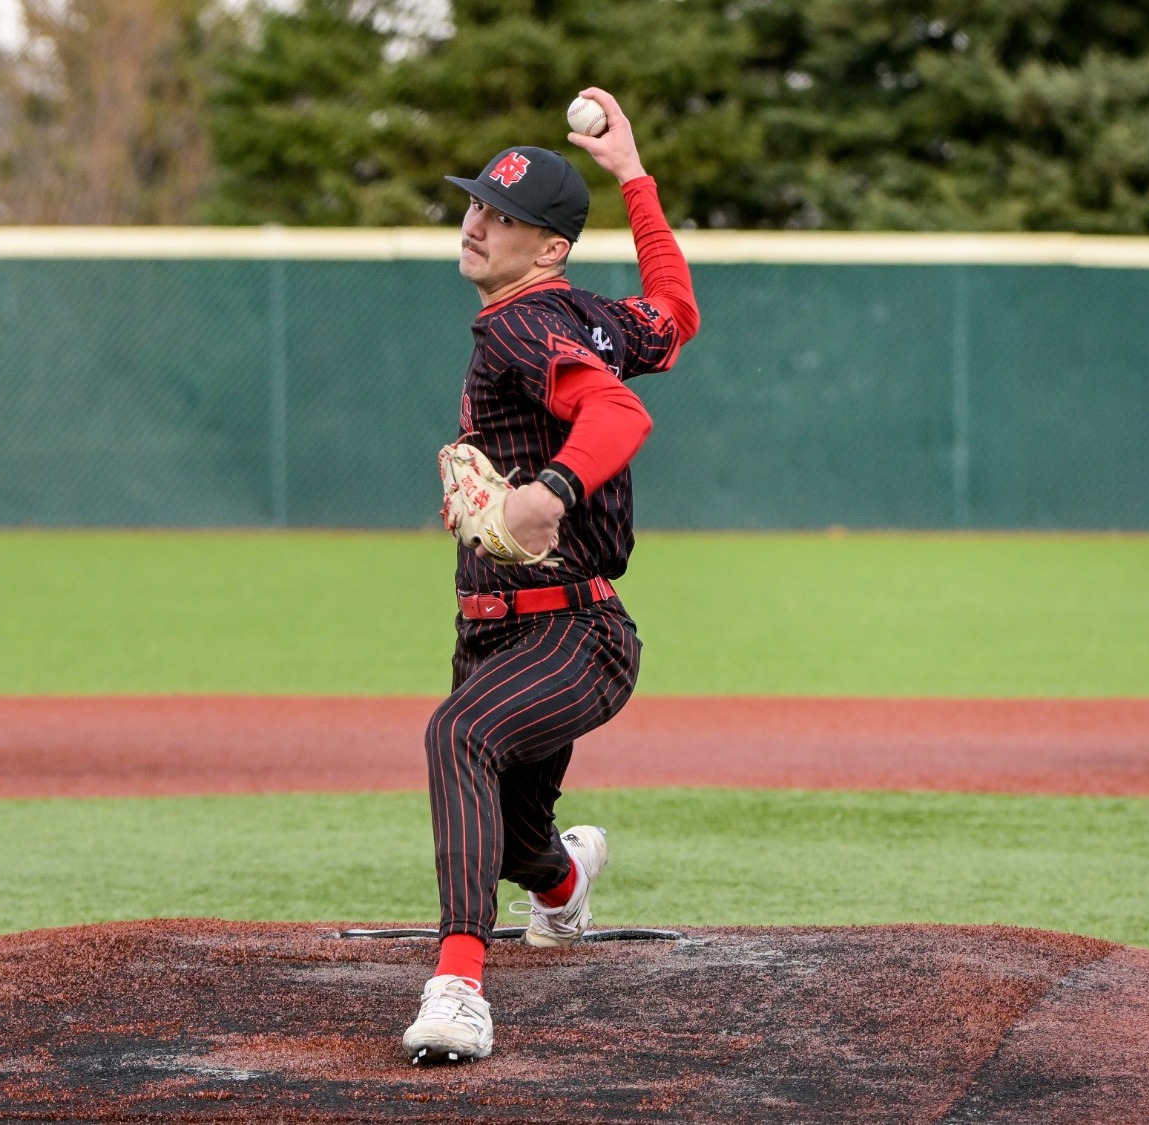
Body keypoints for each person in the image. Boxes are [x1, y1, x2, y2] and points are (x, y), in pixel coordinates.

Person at [402, 87, 701, 1064]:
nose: (477, 221)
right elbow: (673, 313)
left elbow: (620, 416)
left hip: (570, 631)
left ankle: (458, 984)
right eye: (477, 202)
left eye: (506, 216)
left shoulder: (522, 326)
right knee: (518, 840)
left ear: (548, 249)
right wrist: (632, 174)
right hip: (497, 627)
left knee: (457, 736)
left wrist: (553, 488)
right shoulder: (583, 313)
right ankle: (564, 883)